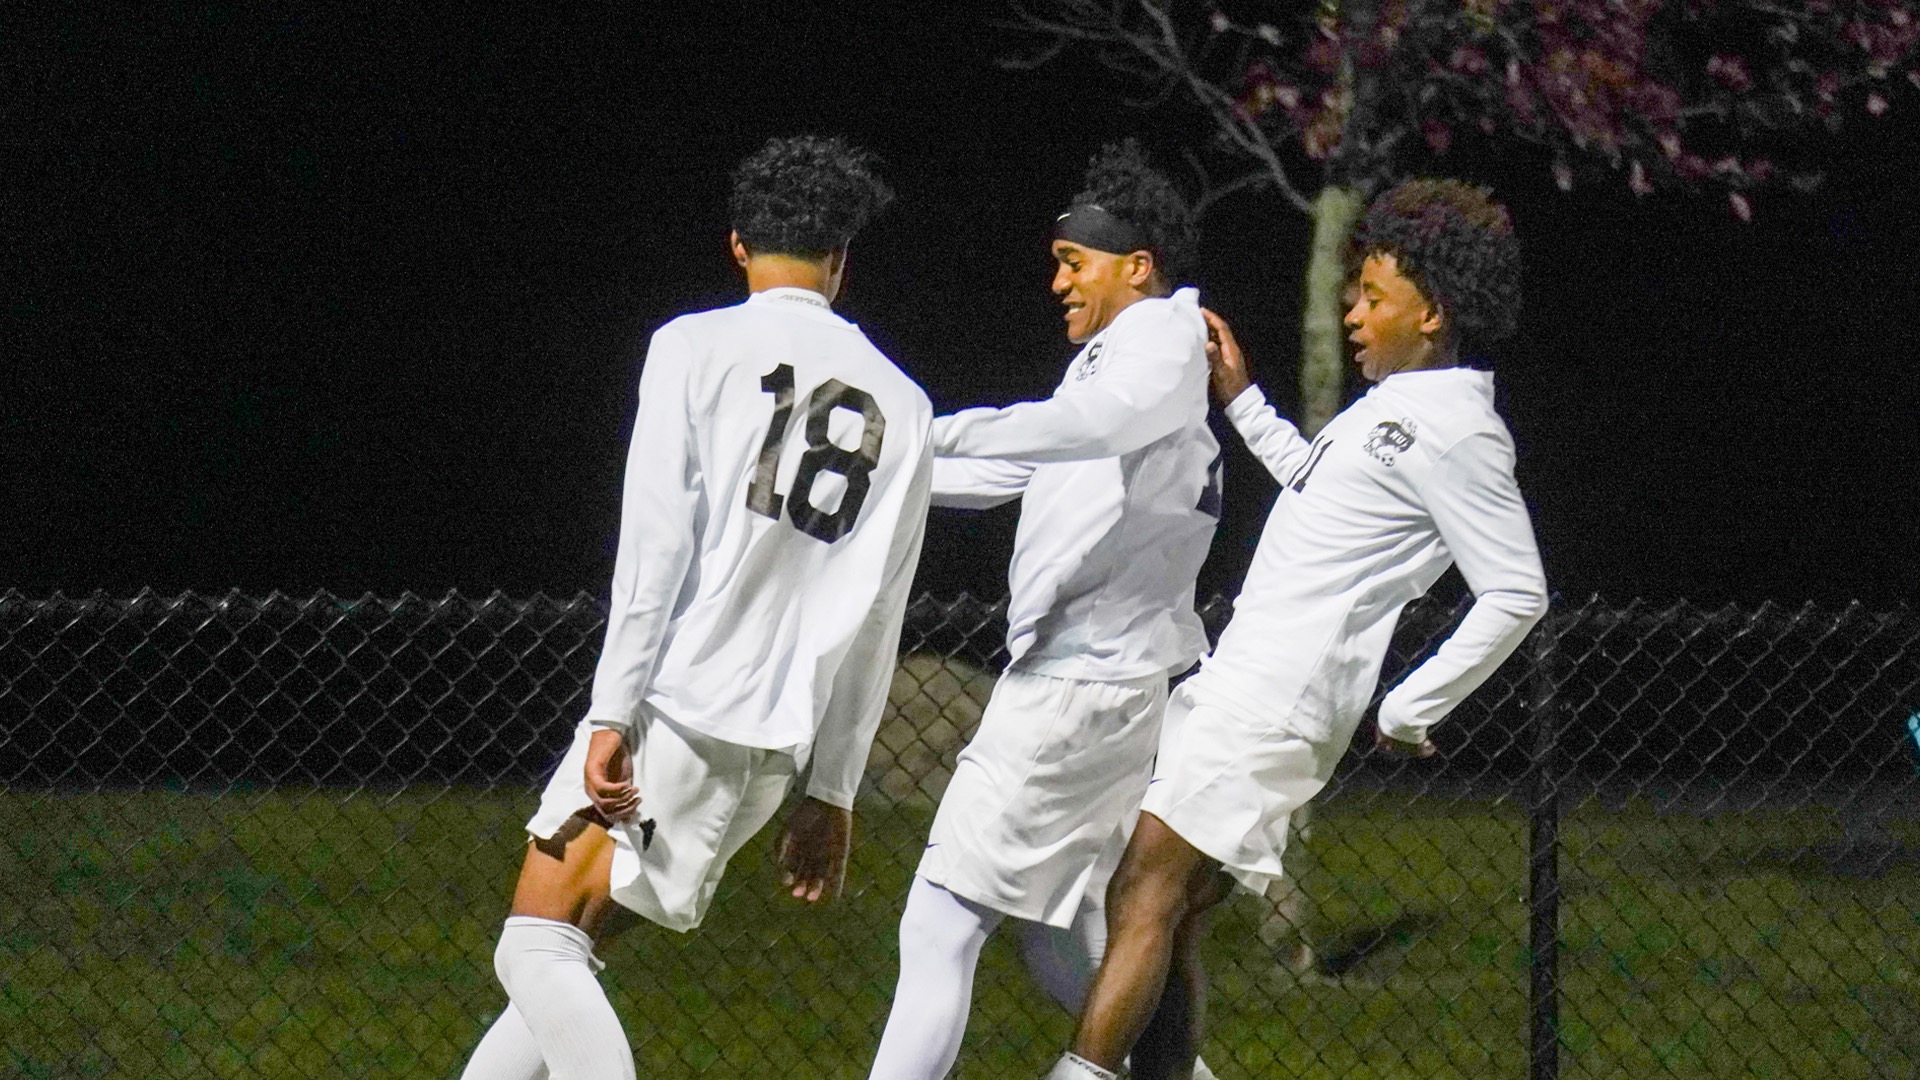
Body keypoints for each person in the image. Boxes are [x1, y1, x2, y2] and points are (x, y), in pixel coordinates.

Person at [1045, 178, 1549, 1080]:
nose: (1353, 312)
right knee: (1168, 910)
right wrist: (1242, 401)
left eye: (1374, 298)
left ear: (1431, 313)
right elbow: (1318, 494)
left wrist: (1409, 707)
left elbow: (1516, 591)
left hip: (1276, 702)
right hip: (1248, 683)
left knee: (1142, 890)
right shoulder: (1395, 410)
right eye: (1353, 293)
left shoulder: (1462, 431)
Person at [458, 134, 932, 1080]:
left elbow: (656, 550)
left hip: (679, 705)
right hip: (770, 747)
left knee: (533, 949)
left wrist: (610, 713)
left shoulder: (692, 345)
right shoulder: (909, 406)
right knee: (567, 955)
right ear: (841, 258)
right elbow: (879, 618)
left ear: (737, 246)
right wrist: (831, 790)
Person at [867, 140, 1221, 1080]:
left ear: (1136, 267)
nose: (1058, 283)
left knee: (940, 921)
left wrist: (914, 428)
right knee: (1061, 945)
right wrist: (881, 464)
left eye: (1074, 263)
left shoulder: (1153, 339)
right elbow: (1008, 470)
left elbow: (1081, 430)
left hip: (1078, 685)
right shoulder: (1128, 365)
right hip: (1112, 678)